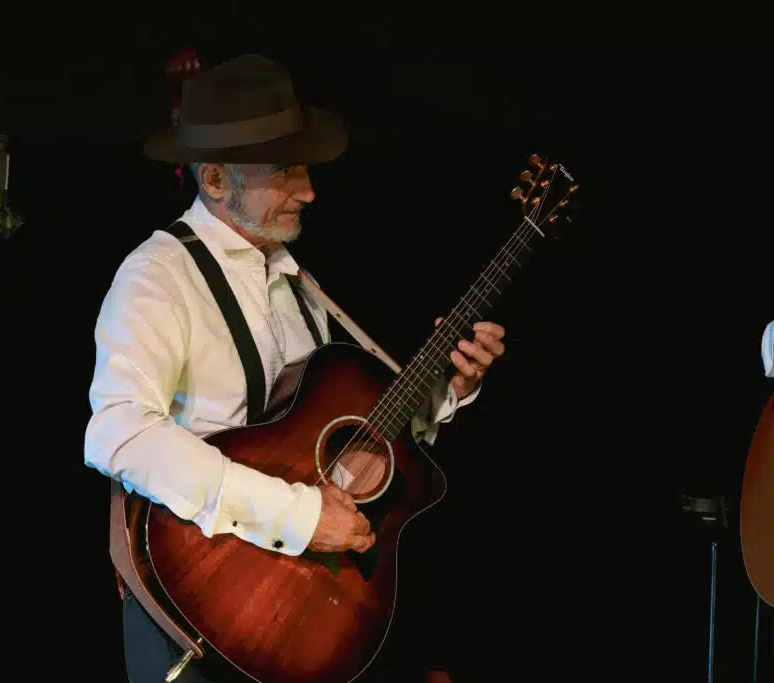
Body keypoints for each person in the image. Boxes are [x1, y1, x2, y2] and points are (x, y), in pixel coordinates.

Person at [83, 53, 507, 683]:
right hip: (202, 604)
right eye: (284, 173)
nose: (307, 191)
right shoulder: (157, 278)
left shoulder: (293, 281)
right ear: (217, 181)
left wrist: (446, 393)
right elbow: (120, 434)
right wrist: (302, 518)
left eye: (304, 170)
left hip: (294, 610)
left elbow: (334, 442)